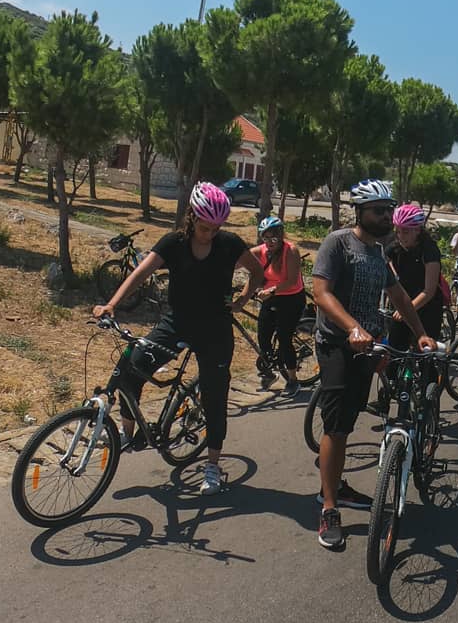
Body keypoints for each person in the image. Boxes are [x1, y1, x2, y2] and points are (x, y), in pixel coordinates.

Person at [92, 182, 266, 496]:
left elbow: (257, 272)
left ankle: (212, 465)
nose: (210, 232)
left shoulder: (229, 244)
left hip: (214, 328)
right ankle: (129, 433)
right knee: (133, 364)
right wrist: (112, 304)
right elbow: (140, 274)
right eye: (204, 226)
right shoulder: (174, 242)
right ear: (191, 217)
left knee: (215, 395)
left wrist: (242, 299)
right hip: (177, 323)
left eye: (216, 227)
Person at [311, 179, 437, 551]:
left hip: (367, 347)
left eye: (389, 210)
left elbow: (398, 296)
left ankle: (336, 486)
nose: (386, 217)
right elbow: (321, 292)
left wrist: (420, 334)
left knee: (349, 420)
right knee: (335, 427)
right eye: (379, 211)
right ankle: (329, 506)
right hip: (336, 344)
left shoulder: (380, 254)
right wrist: (352, 328)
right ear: (361, 212)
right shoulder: (338, 242)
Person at [250, 215, 308, 396]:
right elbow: (237, 262)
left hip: (291, 298)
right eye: (265, 237)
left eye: (273, 238)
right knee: (263, 336)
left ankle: (293, 380)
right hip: (272, 298)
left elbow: (291, 281)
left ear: (281, 236)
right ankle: (269, 372)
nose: (269, 242)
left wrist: (270, 290)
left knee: (284, 339)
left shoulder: (290, 251)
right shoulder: (260, 251)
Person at [386, 204, 444, 352]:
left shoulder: (429, 250)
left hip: (427, 306)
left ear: (418, 230)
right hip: (402, 304)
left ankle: (433, 373)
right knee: (393, 354)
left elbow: (429, 291)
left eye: (405, 231)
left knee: (426, 354)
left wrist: (406, 310)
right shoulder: (394, 248)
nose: (400, 236)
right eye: (397, 231)